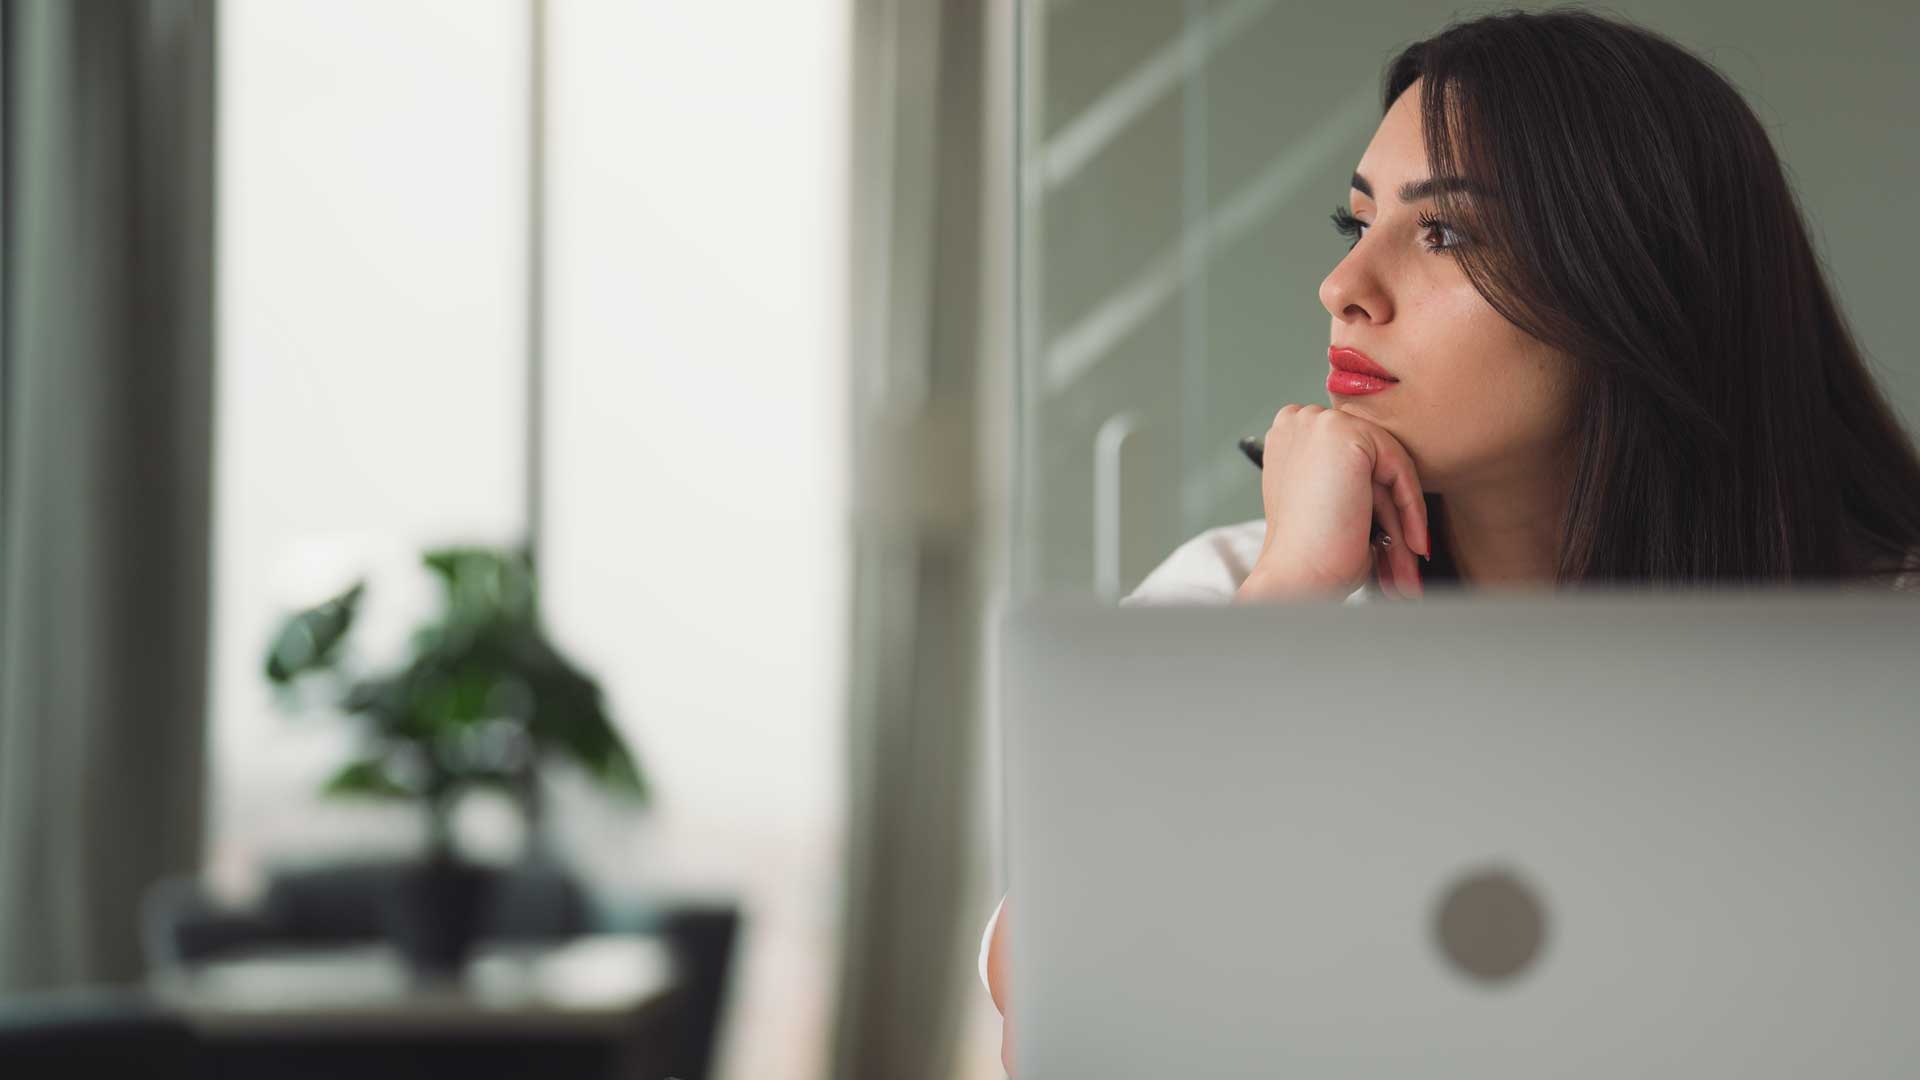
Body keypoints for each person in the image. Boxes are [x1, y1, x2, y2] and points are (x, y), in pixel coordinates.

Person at [981, 7, 1920, 1074]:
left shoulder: (1887, 641)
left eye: (1446, 232)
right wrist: (1292, 594)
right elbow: (1048, 1015)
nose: (1343, 289)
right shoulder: (1250, 591)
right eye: (1355, 223)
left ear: (1638, 284)